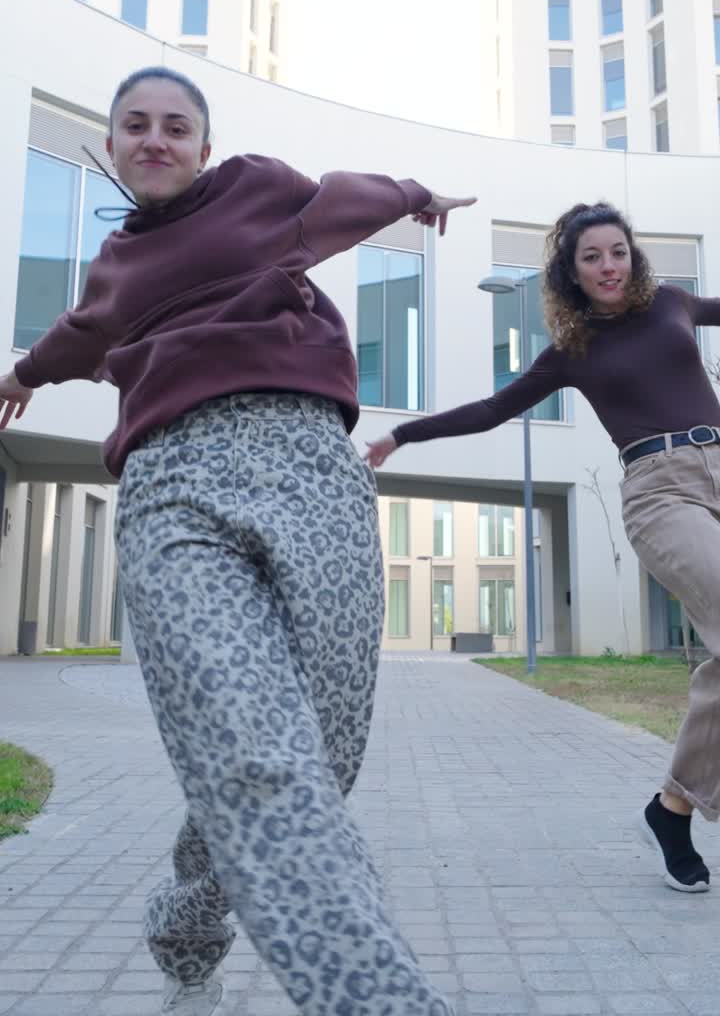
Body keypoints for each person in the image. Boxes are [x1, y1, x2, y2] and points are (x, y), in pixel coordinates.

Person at [0, 65, 476, 1016]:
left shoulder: (256, 190)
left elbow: (342, 197)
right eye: (135, 127)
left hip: (309, 464)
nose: (156, 140)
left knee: (324, 756)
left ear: (205, 147)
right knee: (255, 750)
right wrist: (24, 376)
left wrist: (419, 196)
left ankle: (187, 918)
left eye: (177, 126)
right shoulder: (115, 270)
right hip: (174, 484)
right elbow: (76, 335)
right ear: (115, 151)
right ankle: (375, 997)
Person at [366, 200, 720, 896]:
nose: (609, 266)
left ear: (633, 256)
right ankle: (676, 804)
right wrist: (403, 434)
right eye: (592, 257)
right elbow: (492, 409)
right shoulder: (572, 352)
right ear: (572, 273)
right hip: (660, 493)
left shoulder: (674, 304)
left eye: (617, 251)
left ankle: (673, 806)